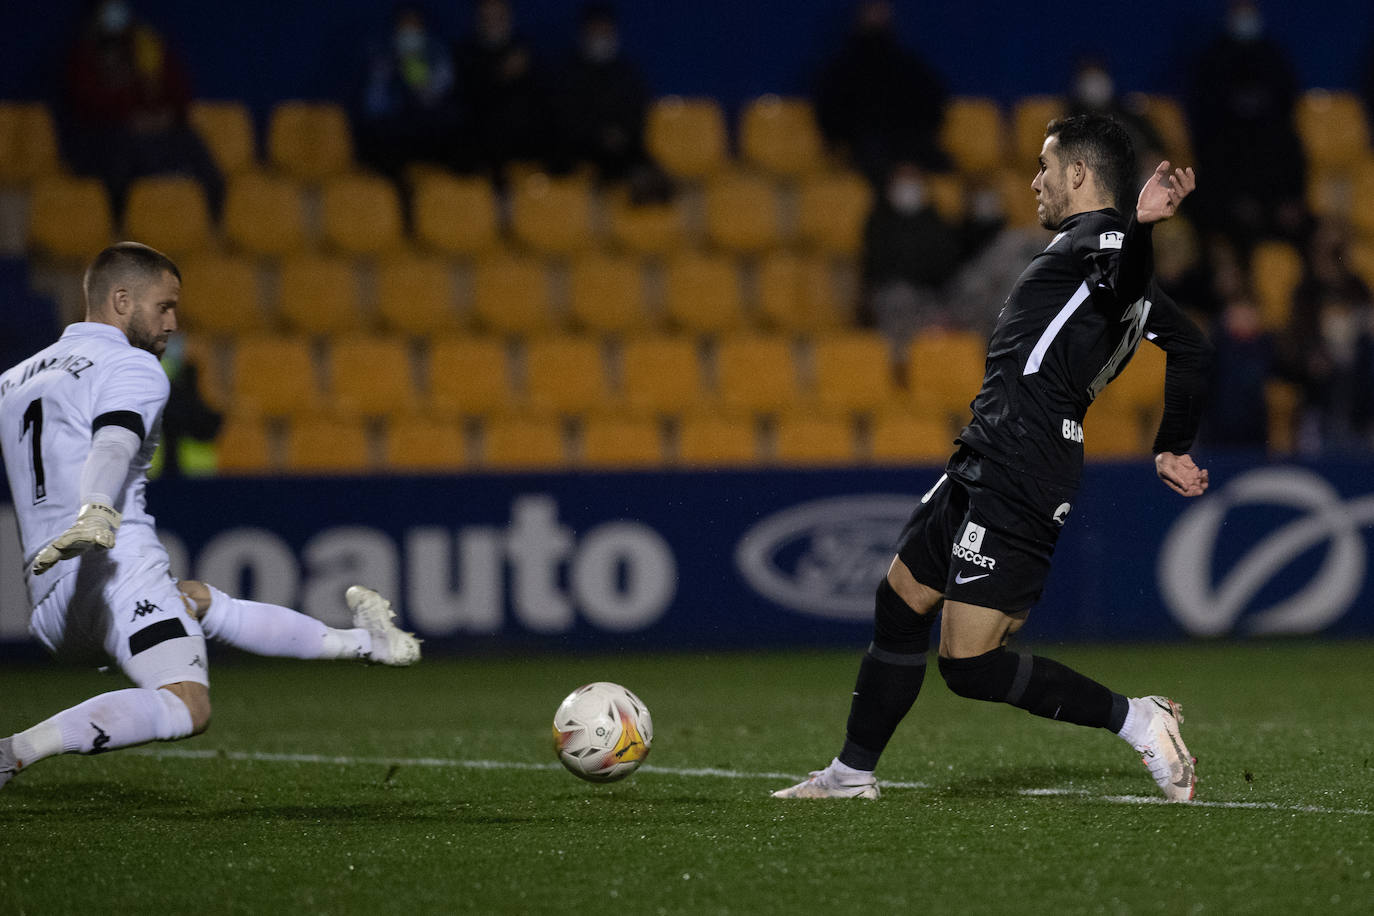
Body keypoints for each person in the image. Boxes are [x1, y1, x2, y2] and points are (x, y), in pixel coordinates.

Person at [773, 115, 1212, 803]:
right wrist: (1171, 444)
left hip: (1025, 461)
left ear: (1077, 174)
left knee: (970, 665)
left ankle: (1137, 719)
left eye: (1045, 166)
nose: (1034, 180)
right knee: (900, 599)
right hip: (987, 450)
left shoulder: (1107, 240)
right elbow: (1190, 348)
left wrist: (1140, 228)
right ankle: (850, 774)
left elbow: (1128, 282)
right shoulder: (1092, 259)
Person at [0, 243, 420, 790]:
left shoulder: (13, 380)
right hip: (114, 568)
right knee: (187, 706)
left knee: (194, 599)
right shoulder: (131, 365)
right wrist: (98, 510)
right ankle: (13, 753)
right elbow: (115, 440)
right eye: (164, 306)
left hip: (50, 602)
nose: (173, 322)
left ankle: (367, 644)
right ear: (121, 299)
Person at [61, 0, 224, 220]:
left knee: (193, 143)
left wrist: (166, 116)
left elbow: (178, 94)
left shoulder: (147, 45)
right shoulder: (85, 53)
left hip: (158, 129)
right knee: (121, 154)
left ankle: (215, 221)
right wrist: (127, 117)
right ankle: (118, 224)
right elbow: (86, 102)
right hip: (107, 135)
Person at [813, 0, 950, 187]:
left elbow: (933, 103)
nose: (876, 18)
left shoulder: (907, 65)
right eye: (871, 12)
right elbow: (831, 114)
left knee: (942, 169)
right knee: (875, 162)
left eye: (881, 12)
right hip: (866, 147)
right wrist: (846, 140)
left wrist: (918, 139)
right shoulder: (844, 68)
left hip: (910, 144)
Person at [355, 2, 465, 182]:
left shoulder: (438, 53)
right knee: (381, 142)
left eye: (414, 27)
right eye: (404, 27)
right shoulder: (382, 57)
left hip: (429, 133)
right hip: (395, 136)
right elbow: (374, 106)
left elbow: (433, 97)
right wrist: (390, 73)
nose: (409, 33)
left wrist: (414, 68)